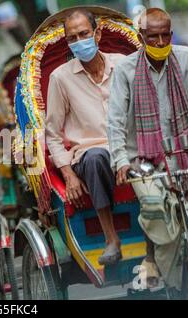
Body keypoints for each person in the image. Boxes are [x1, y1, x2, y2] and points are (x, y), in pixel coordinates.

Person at [108, 8, 188, 290]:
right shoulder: (125, 70)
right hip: (143, 160)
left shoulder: (187, 58)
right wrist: (120, 160)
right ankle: (173, 286)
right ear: (141, 37)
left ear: (171, 34)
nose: (158, 42)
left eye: (164, 35)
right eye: (152, 36)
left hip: (187, 152)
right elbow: (116, 120)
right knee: (162, 219)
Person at [45, 9, 125, 265]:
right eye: (72, 38)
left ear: (97, 33)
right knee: (96, 157)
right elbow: (53, 134)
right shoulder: (60, 78)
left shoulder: (124, 64)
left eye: (84, 34)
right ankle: (111, 238)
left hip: (128, 149)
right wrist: (68, 175)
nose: (79, 42)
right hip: (90, 155)